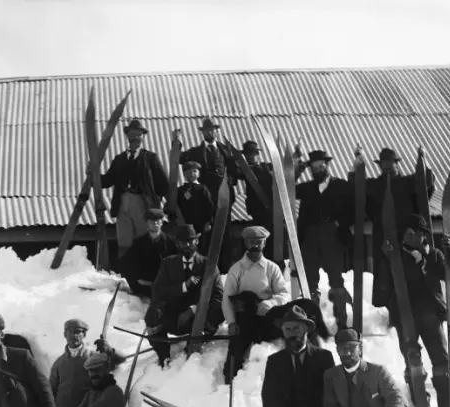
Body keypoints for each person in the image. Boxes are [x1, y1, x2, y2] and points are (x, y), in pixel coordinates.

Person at [384, 214, 450, 407]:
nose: (416, 236)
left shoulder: (433, 255)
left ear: (425, 234)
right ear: (404, 234)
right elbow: (387, 286)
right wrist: (391, 257)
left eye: (420, 233)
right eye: (411, 233)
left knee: (443, 365)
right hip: (406, 317)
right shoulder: (394, 256)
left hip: (430, 316)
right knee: (414, 365)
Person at [355, 146, 435, 308]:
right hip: (384, 236)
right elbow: (358, 188)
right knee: (385, 274)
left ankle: (411, 309)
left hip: (406, 236)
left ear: (397, 164)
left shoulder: (407, 182)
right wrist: (358, 159)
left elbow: (426, 181)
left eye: (391, 164)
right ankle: (390, 313)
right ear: (380, 166)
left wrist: (422, 159)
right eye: (384, 164)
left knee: (409, 271)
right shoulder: (375, 185)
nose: (388, 167)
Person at [145, 224, 224, 366]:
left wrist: (194, 309)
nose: (187, 244)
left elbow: (218, 295)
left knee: (218, 308)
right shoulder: (168, 263)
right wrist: (183, 287)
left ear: (197, 241)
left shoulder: (208, 264)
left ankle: (194, 346)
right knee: (152, 313)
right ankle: (163, 357)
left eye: (190, 240)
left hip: (199, 318)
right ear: (177, 244)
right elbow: (158, 291)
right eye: (183, 241)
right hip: (174, 316)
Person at [222, 226, 290, 382]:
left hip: (265, 317)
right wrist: (231, 322)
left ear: (265, 243)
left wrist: (270, 302)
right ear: (246, 243)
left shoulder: (272, 268)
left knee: (276, 347)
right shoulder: (236, 269)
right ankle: (229, 385)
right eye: (252, 241)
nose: (256, 245)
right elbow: (227, 299)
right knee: (236, 350)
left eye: (259, 242)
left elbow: (284, 294)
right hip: (243, 318)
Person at [93, 118, 168, 258]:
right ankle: (126, 274)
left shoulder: (150, 158)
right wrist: (93, 175)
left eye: (139, 134)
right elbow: (107, 181)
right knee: (124, 241)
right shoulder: (119, 159)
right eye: (132, 134)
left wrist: (154, 203)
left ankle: (146, 274)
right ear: (127, 136)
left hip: (143, 204)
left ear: (143, 137)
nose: (135, 137)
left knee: (144, 239)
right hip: (122, 204)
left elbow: (163, 184)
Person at [296, 150, 354, 328]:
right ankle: (313, 322)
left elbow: (356, 207)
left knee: (336, 279)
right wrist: (298, 167)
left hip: (333, 236)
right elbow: (285, 188)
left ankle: (342, 323)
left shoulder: (342, 186)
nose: (318, 170)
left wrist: (341, 224)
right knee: (310, 281)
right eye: (314, 167)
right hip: (311, 238)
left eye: (321, 166)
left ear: (328, 165)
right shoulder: (306, 188)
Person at [178, 118, 240, 272]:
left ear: (216, 131)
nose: (210, 132)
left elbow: (235, 172)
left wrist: (227, 182)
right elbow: (179, 159)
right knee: (206, 235)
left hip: (223, 200)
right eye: (207, 130)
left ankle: (226, 270)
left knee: (225, 233)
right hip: (203, 202)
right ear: (202, 133)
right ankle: (207, 269)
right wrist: (177, 142)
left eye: (212, 130)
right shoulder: (195, 152)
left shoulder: (226, 150)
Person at [119, 208, 178, 298]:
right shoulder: (138, 243)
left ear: (162, 222)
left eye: (157, 221)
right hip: (142, 288)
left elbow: (177, 266)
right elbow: (126, 264)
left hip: (163, 289)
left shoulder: (171, 244)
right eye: (152, 221)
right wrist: (137, 279)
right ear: (147, 222)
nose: (155, 224)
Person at [173, 161, 215, 252]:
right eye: (189, 172)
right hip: (185, 225)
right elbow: (175, 206)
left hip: (200, 225)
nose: (192, 174)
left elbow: (209, 206)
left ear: (199, 173)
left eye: (195, 171)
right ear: (184, 174)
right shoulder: (180, 190)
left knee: (202, 248)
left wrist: (208, 222)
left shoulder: (202, 189)